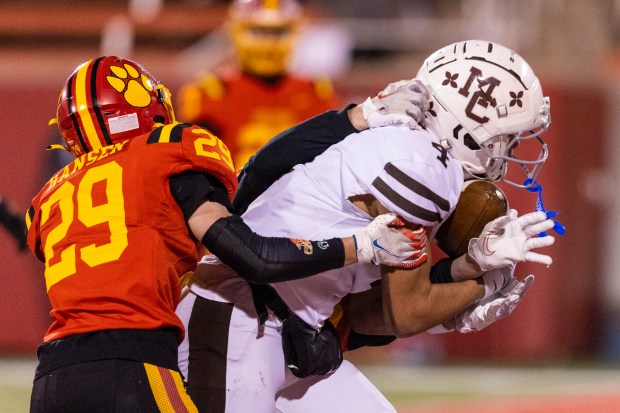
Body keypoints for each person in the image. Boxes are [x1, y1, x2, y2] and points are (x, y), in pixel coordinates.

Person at [24, 56, 430, 413]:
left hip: (50, 379)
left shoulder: (49, 197)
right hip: (133, 366)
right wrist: (360, 245)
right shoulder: (165, 153)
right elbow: (256, 249)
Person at [176, 39, 556, 413]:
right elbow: (407, 312)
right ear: (468, 126)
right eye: (507, 137)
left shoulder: (407, 150)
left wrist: (466, 270)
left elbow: (367, 315)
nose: (510, 151)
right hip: (235, 323)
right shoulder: (421, 165)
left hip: (290, 332)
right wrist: (483, 281)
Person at [177, 0, 339, 168]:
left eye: (279, 32)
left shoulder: (315, 92)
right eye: (258, 31)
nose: (269, 43)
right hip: (237, 192)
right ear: (235, 30)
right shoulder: (211, 92)